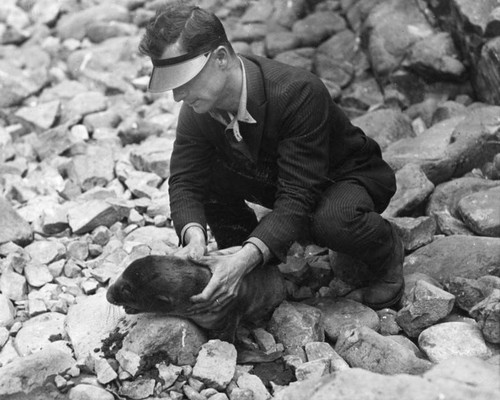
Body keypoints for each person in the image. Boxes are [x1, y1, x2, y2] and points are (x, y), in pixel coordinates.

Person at [138, 3, 404, 313]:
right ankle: (241, 261)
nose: (177, 96)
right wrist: (193, 237)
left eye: (184, 80)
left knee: (332, 221)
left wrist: (251, 253)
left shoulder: (297, 92)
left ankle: (387, 249)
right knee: (206, 175)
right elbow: (185, 179)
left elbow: (297, 196)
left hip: (346, 177)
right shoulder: (198, 108)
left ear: (221, 58)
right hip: (279, 182)